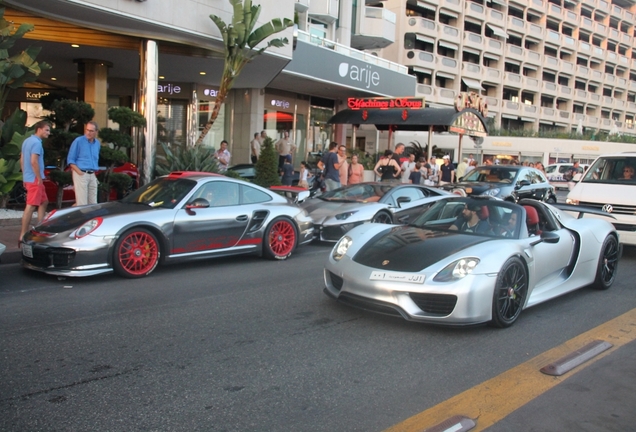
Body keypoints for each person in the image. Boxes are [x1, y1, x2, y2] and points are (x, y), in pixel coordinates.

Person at [20, 120, 51, 244]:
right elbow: (34, 161)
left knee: (44, 202)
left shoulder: (27, 141)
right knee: (31, 206)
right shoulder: (37, 143)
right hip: (35, 179)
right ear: (39, 129)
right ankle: (23, 234)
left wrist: (24, 177)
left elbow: (22, 160)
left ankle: (40, 228)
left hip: (29, 178)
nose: (49, 133)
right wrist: (38, 178)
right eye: (47, 130)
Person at [67, 121, 101, 206]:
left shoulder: (97, 143)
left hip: (92, 174)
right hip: (81, 173)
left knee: (93, 204)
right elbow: (71, 160)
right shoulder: (78, 141)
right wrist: (79, 172)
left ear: (96, 132)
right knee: (82, 203)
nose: (88, 133)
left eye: (91, 131)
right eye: (87, 130)